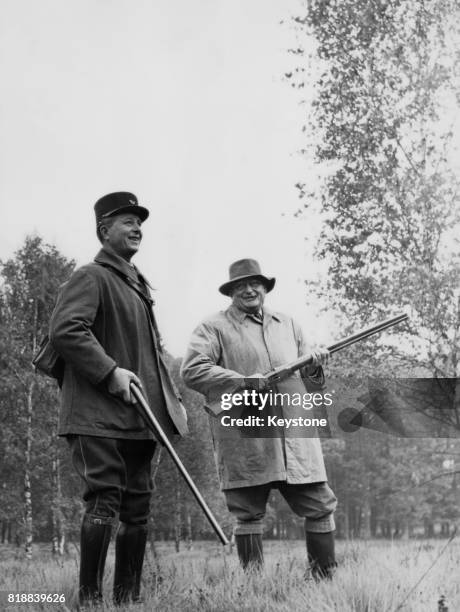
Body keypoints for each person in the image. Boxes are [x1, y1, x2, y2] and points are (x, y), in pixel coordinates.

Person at [49, 192, 188, 607]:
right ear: (103, 230)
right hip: (96, 417)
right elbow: (66, 329)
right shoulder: (91, 276)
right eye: (126, 220)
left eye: (139, 221)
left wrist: (170, 405)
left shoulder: (138, 286)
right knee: (104, 501)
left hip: (138, 419)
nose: (136, 227)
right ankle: (90, 602)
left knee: (138, 511)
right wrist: (110, 373)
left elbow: (148, 357)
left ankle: (128, 602)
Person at [180, 258, 337, 578]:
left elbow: (312, 382)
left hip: (295, 434)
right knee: (247, 511)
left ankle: (325, 581)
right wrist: (242, 381)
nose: (249, 290)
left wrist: (314, 365)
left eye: (255, 284)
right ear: (231, 292)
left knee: (320, 505)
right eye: (241, 285)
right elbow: (192, 370)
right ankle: (253, 587)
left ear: (265, 288)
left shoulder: (289, 324)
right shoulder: (213, 327)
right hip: (246, 433)